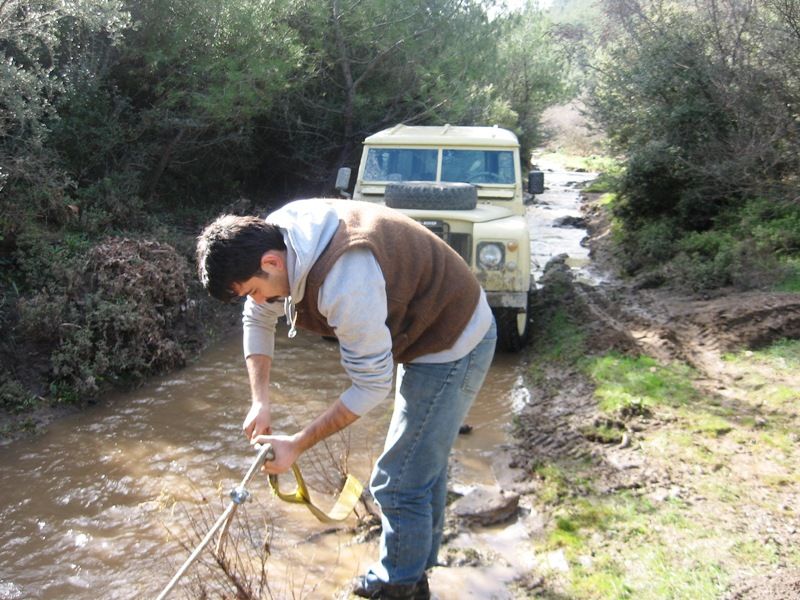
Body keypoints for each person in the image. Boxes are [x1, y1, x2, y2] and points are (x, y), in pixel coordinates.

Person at [196, 198, 496, 600]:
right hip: (421, 326)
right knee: (421, 464)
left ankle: (400, 584)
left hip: (454, 337)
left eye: (255, 291)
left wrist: (297, 444)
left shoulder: (344, 282)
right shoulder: (274, 235)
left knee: (396, 480)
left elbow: (372, 385)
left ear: (271, 262)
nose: (259, 301)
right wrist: (259, 401)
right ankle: (418, 565)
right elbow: (257, 317)